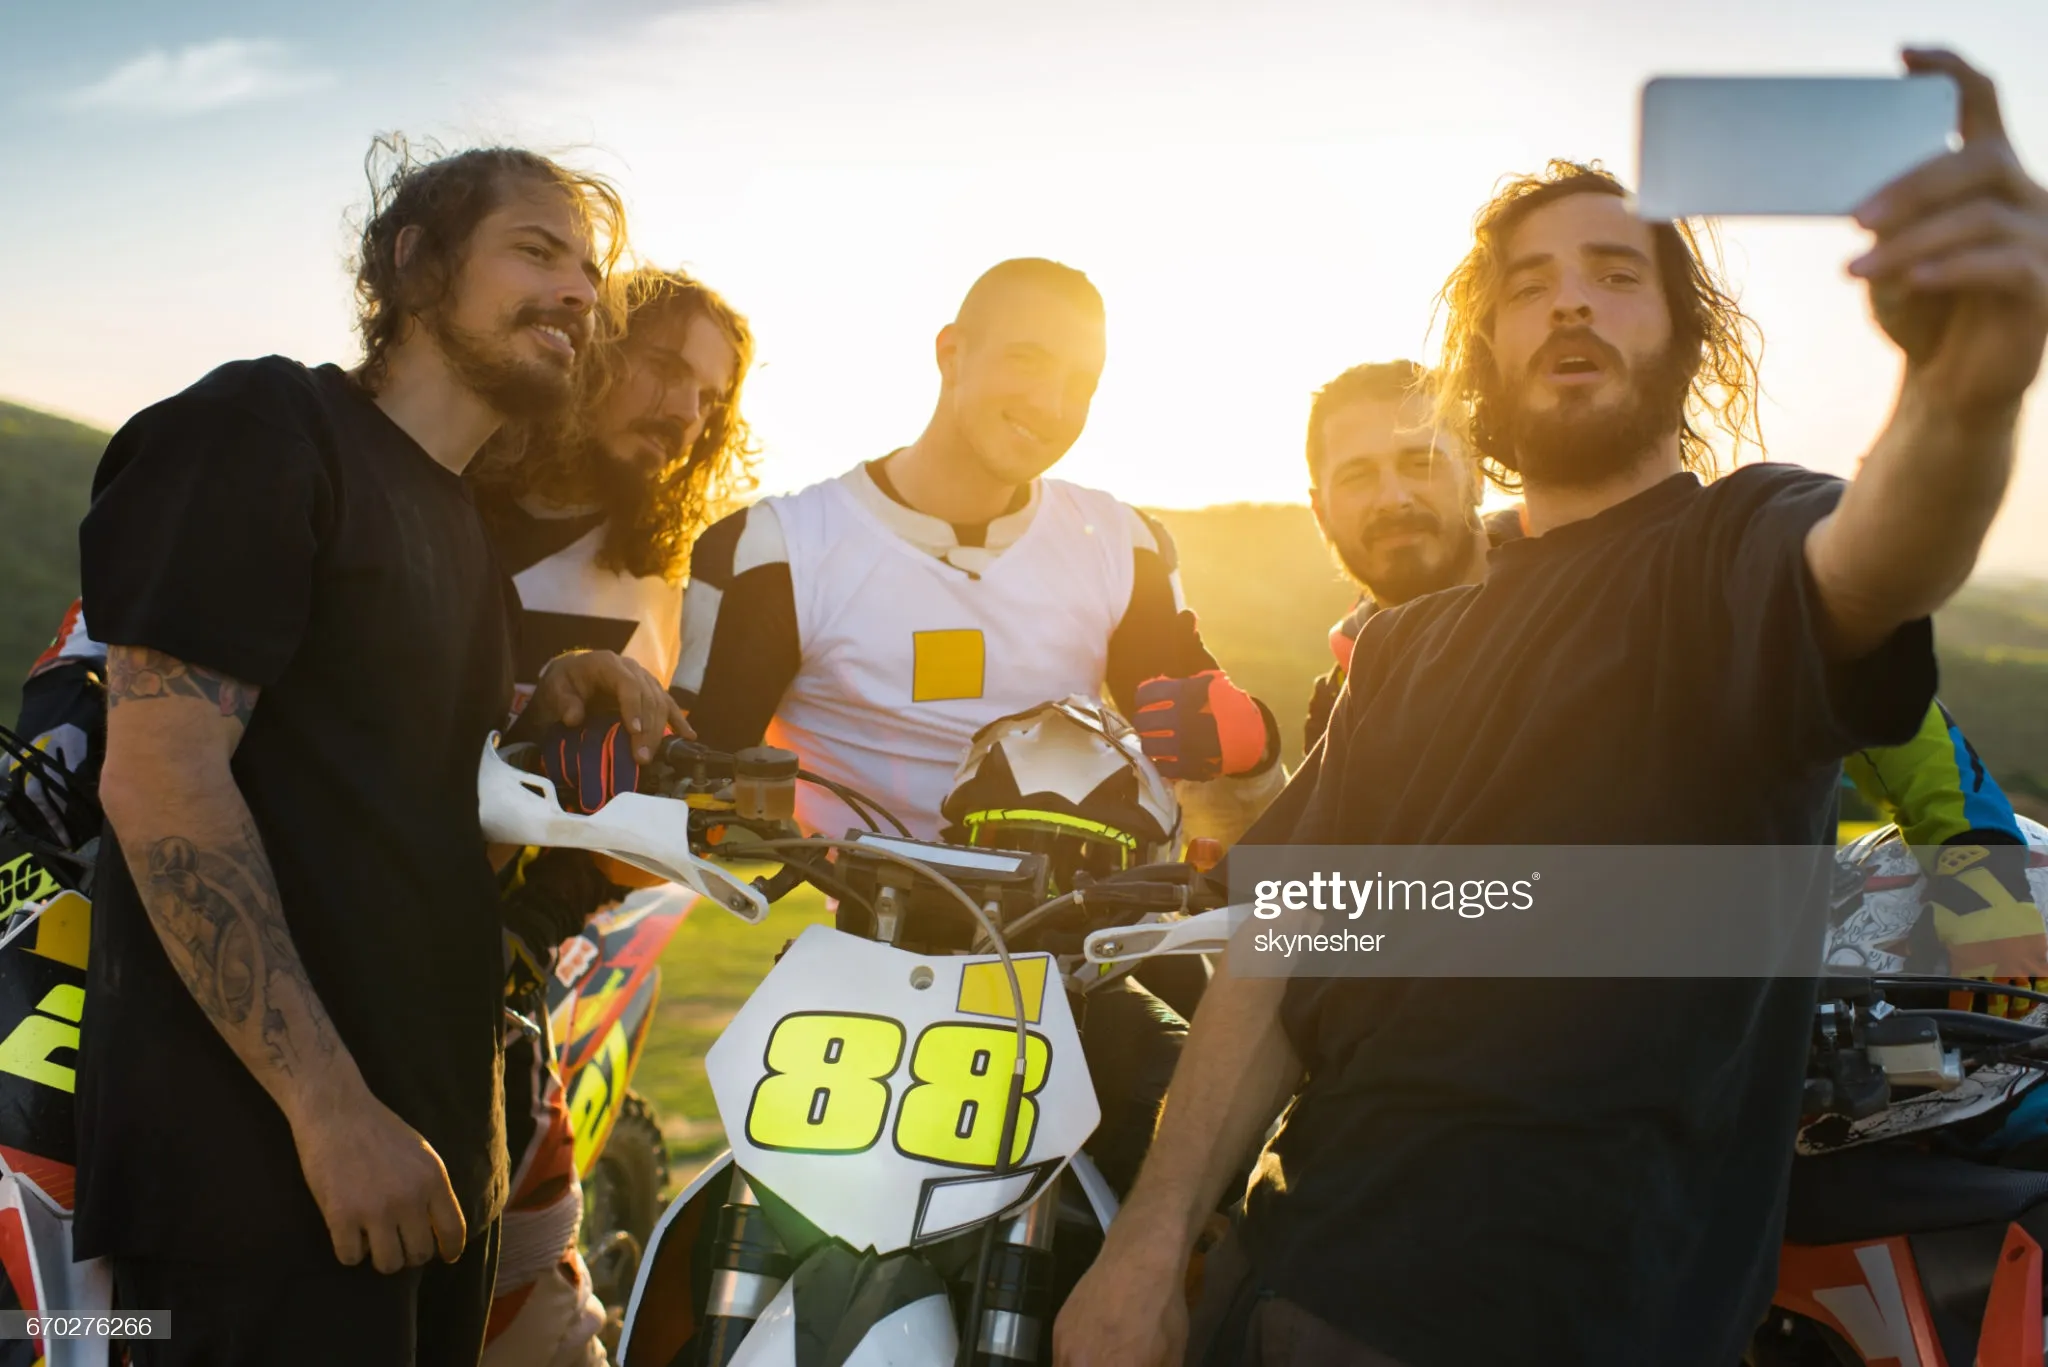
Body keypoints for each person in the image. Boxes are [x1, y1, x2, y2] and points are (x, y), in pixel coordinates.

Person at [1054, 49, 2048, 1367]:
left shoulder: (1745, 548)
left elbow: (1886, 556)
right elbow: (1287, 946)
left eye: (1616, 272)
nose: (1571, 301)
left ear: (1688, 339)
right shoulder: (1400, 647)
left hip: (1571, 1315)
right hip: (1285, 1281)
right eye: (1530, 285)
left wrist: (1966, 383)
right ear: (1483, 359)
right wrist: (1147, 1245)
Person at [74, 139, 687, 1367]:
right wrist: (329, 1109)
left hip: (424, 1166)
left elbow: (365, 780)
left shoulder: (454, 517)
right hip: (265, 1176)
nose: (578, 291)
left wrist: (539, 703)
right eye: (535, 249)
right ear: (413, 260)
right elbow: (160, 776)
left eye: (588, 269)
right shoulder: (261, 427)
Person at [1297, 359, 2047, 1005]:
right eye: (1357, 475)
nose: (1392, 497)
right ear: (1320, 506)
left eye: (1420, 460)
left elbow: (1882, 706)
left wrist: (1984, 886)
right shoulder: (1346, 699)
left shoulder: (1631, 574)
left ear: (1472, 467)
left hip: (1769, 989)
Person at [672, 257, 1285, 850]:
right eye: (1027, 361)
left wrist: (1257, 757)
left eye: (1081, 384)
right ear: (951, 353)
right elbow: (683, 820)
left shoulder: (1127, 545)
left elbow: (1211, 831)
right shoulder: (775, 550)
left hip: (1091, 933)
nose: (1052, 405)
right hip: (879, 941)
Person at [470, 267, 757, 1367]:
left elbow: (656, 807)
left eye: (711, 399)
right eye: (666, 369)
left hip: (495, 965)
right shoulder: (423, 486)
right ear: (585, 342)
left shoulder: (662, 588)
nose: (687, 412)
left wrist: (533, 920)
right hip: (307, 905)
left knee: (530, 1311)